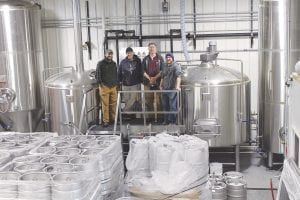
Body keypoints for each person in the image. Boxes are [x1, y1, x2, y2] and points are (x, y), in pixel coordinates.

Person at [142, 42, 165, 119]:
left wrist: (155, 78)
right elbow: (142, 71)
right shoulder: (145, 59)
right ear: (148, 49)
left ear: (156, 49)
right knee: (149, 101)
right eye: (150, 47)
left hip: (158, 83)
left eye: (153, 47)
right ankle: (151, 117)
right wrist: (150, 78)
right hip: (147, 83)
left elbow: (162, 70)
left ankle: (159, 117)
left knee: (158, 101)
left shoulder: (160, 58)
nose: (152, 49)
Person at [95, 49, 118, 127]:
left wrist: (116, 84)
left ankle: (113, 119)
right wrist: (101, 84)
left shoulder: (114, 64)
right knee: (105, 105)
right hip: (104, 87)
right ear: (105, 54)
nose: (110, 55)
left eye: (111, 54)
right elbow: (97, 75)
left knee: (113, 104)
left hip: (113, 86)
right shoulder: (100, 63)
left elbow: (116, 74)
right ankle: (106, 121)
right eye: (108, 54)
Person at [118, 47, 143, 118]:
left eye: (130, 52)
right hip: (125, 84)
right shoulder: (123, 62)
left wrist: (141, 81)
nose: (129, 54)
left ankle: (124, 111)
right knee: (126, 99)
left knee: (133, 99)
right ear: (126, 53)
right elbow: (119, 72)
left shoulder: (138, 61)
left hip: (135, 84)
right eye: (128, 52)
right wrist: (119, 81)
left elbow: (141, 71)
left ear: (133, 53)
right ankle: (129, 115)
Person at [159, 52, 181, 125]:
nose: (168, 58)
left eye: (170, 57)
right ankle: (166, 120)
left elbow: (178, 76)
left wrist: (177, 86)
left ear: (172, 58)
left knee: (172, 106)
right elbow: (162, 76)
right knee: (165, 106)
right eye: (167, 57)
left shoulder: (176, 66)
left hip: (172, 90)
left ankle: (173, 121)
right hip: (165, 89)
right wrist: (160, 85)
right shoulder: (164, 65)